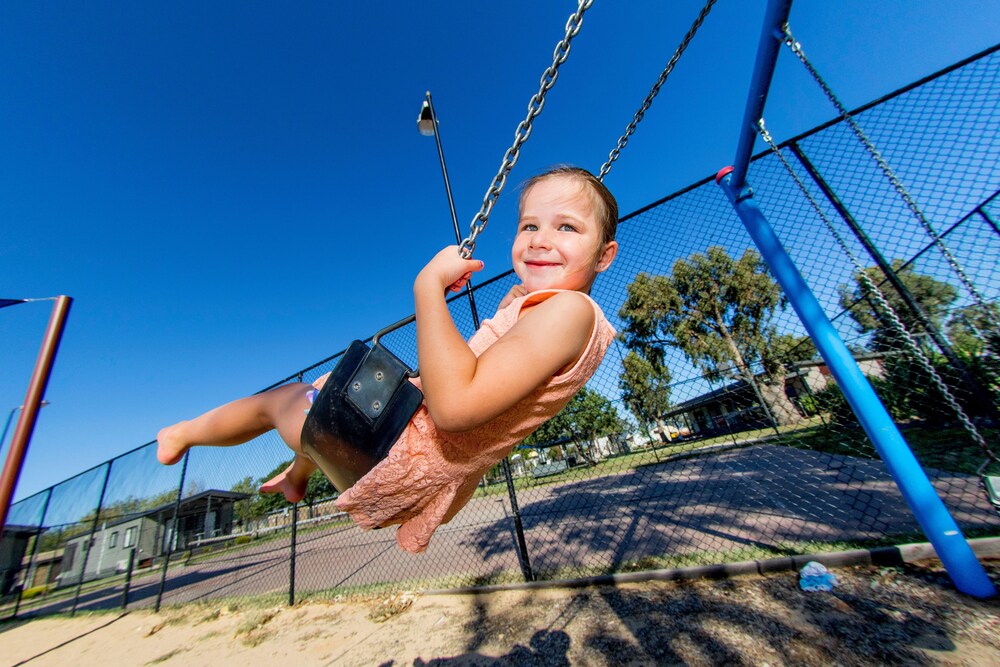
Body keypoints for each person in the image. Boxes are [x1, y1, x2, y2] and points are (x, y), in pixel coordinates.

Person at [157, 165, 619, 553]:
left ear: (605, 255)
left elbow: (455, 406)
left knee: (280, 402)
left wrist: (428, 289)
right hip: (416, 459)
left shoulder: (568, 311)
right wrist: (515, 302)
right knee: (325, 394)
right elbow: (505, 359)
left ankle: (179, 432)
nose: (539, 240)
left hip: (395, 449)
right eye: (529, 226)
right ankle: (299, 474)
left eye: (567, 227)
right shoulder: (562, 316)